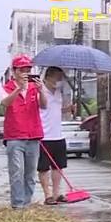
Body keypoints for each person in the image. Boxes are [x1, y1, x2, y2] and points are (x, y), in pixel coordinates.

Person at [1, 55, 47, 208]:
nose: (26, 73)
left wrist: (42, 90)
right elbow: (5, 103)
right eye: (22, 70)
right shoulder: (7, 87)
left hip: (33, 135)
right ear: (14, 71)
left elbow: (44, 105)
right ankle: (18, 205)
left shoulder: (35, 87)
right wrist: (18, 89)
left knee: (30, 173)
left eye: (28, 69)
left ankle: (26, 203)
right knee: (17, 172)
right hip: (14, 136)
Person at [36, 67, 70, 205]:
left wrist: (67, 109)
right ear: (49, 75)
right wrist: (40, 90)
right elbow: (42, 106)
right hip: (44, 135)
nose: (60, 79)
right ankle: (48, 195)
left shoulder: (58, 92)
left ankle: (57, 193)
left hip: (58, 134)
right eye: (58, 76)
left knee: (58, 167)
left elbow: (55, 109)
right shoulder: (39, 90)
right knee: (44, 167)